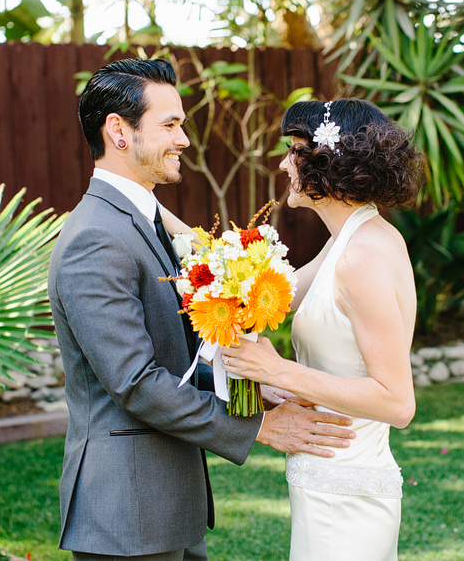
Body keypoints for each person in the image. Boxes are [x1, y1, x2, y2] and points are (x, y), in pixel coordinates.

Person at [47, 58, 356, 561]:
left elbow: (179, 355)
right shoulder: (96, 239)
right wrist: (258, 427)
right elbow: (136, 383)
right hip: (127, 517)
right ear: (119, 131)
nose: (184, 139)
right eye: (169, 125)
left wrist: (255, 392)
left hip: (165, 507)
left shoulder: (141, 219)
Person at [219, 99, 423, 561]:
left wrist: (277, 371)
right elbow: (274, 296)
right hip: (326, 482)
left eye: (294, 149)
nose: (283, 163)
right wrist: (191, 250)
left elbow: (397, 401)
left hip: (347, 496)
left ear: (329, 159)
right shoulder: (348, 240)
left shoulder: (362, 257)